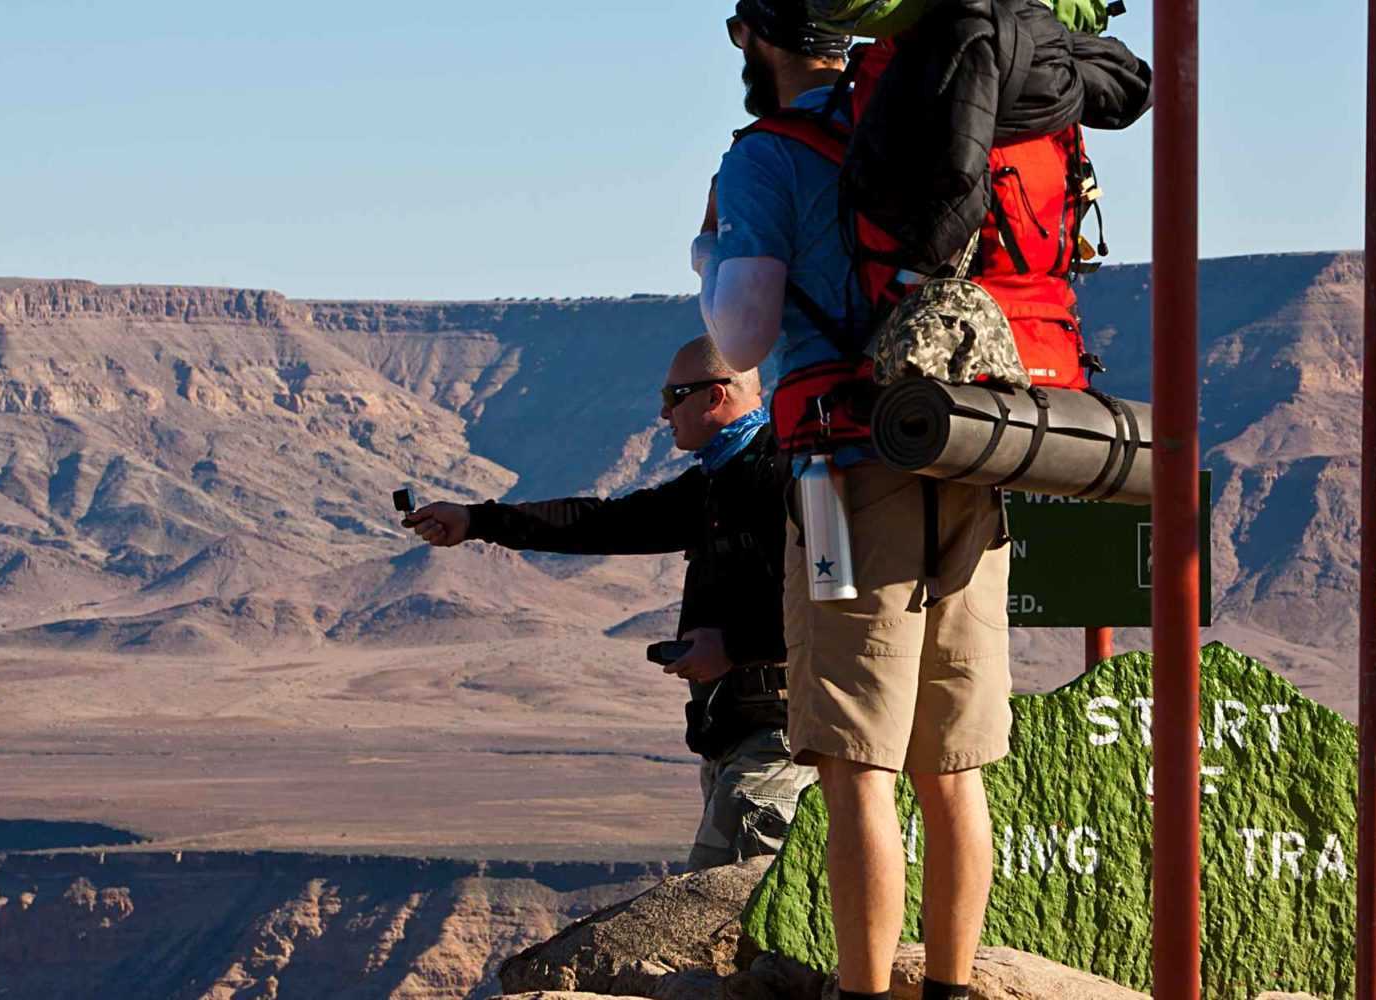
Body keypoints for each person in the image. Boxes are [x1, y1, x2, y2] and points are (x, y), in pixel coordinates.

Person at [694, 4, 1015, 1000]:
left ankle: (864, 991)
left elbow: (740, 340)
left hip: (844, 474)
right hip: (970, 446)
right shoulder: (935, 125)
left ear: (754, 37)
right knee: (951, 765)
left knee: (853, 758)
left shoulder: (767, 155)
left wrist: (708, 256)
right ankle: (952, 988)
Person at [401, 336, 817, 870]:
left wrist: (734, 647)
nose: (663, 411)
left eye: (674, 395)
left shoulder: (780, 476)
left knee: (718, 906)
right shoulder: (716, 481)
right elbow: (602, 521)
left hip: (779, 736)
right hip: (733, 733)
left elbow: (832, 601)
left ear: (714, 397)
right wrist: (477, 520)